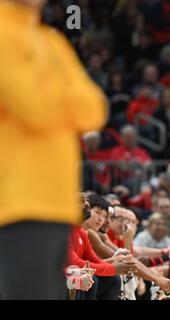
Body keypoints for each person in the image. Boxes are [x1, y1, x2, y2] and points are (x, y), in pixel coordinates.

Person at [0, 0, 107, 299]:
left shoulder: (52, 40)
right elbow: (33, 107)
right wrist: (65, 95)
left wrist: (50, 94)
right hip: (18, 199)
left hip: (56, 202)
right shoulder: (4, 33)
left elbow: (94, 109)